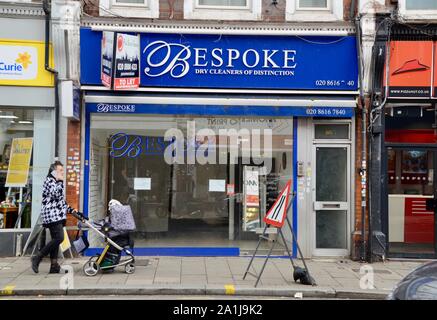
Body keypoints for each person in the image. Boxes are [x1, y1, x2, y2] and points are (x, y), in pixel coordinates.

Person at [31, 161, 77, 274]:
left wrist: (73, 211)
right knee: (59, 238)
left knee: (56, 240)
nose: (62, 173)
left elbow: (61, 201)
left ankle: (54, 266)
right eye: (60, 170)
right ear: (53, 171)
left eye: (62, 170)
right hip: (52, 215)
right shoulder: (49, 181)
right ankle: (38, 257)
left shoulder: (56, 182)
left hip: (57, 215)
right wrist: (60, 181)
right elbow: (55, 194)